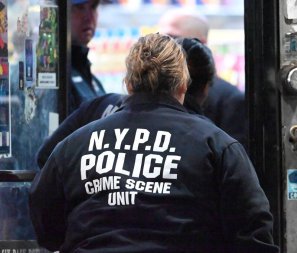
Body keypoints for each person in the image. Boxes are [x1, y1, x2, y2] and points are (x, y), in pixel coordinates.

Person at [29, 33, 278, 252]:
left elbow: (45, 223)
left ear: (128, 84)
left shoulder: (74, 145)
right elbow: (253, 231)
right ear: (182, 84)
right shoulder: (217, 145)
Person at [36, 37, 215, 169]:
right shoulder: (208, 140)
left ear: (130, 82)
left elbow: (47, 159)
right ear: (183, 83)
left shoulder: (99, 107)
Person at [158, 9, 248, 150]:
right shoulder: (155, 90)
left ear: (199, 43)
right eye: (161, 39)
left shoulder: (230, 100)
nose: (163, 47)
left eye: (172, 38)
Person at [69, 0, 106, 114]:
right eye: (80, 8)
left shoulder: (92, 80)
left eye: (93, 7)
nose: (89, 17)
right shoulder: (51, 79)